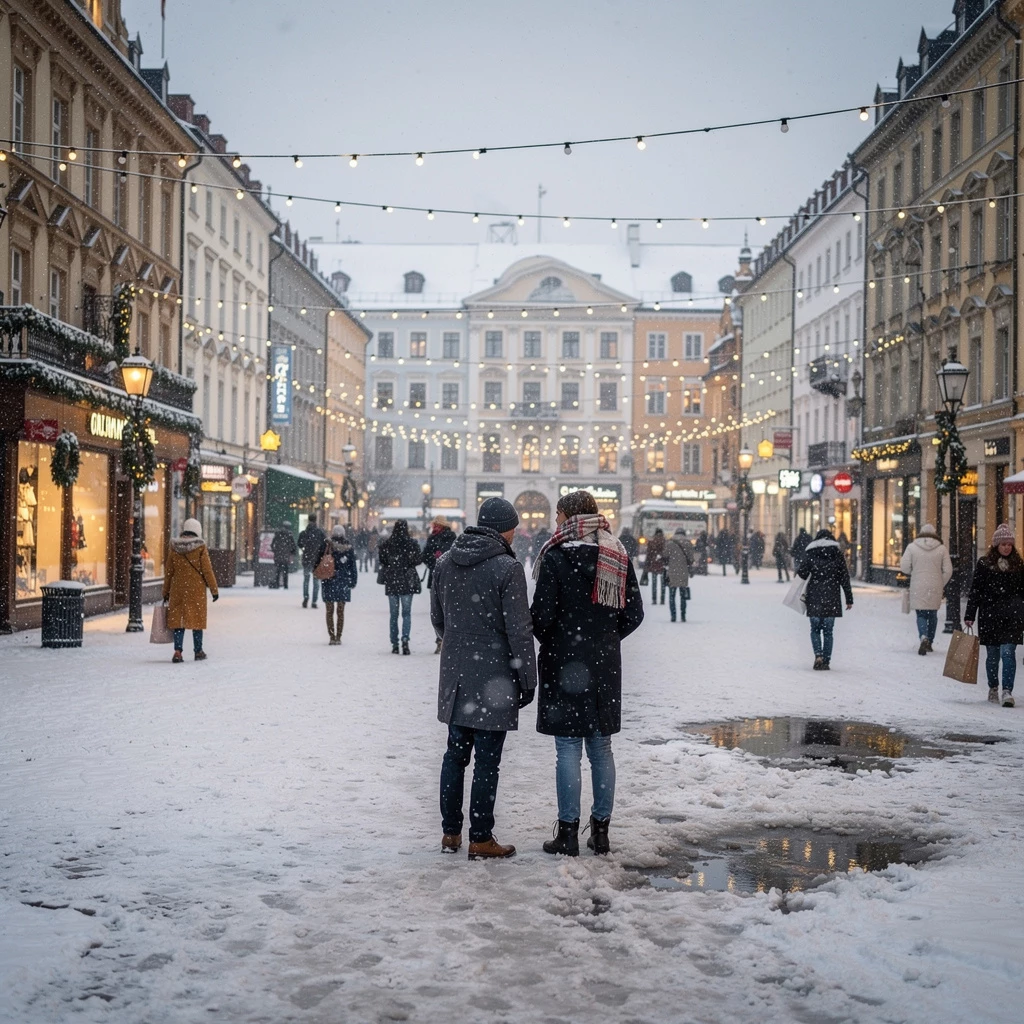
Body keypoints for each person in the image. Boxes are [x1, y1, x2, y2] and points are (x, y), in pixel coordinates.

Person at [531, 490, 644, 857]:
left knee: (567, 748)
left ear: (569, 517)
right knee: (601, 747)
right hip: (603, 665)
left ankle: (567, 834)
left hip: (564, 665)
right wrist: (605, 638)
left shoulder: (555, 556)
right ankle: (601, 831)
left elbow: (542, 617)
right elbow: (634, 612)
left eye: (558, 515)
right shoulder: (616, 553)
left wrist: (562, 638)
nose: (555, 522)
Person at [431, 497, 537, 860]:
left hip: (457, 674)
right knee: (487, 760)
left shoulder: (445, 562)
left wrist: (459, 642)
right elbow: (519, 629)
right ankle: (480, 836)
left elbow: (438, 619)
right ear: (507, 528)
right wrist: (527, 678)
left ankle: (450, 833)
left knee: (454, 755)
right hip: (494, 679)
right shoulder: (507, 568)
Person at [964, 523, 1024, 707]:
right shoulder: (984, 564)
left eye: (1009, 544)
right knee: (992, 656)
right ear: (996, 545)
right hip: (990, 616)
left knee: (1008, 653)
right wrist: (970, 614)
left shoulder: (1018, 565)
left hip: (1012, 617)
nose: (1007, 547)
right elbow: (976, 590)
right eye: (1003, 544)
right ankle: (993, 687)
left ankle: (1007, 690)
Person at [162, 517, 219, 663]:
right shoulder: (200, 547)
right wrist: (214, 590)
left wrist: (166, 592)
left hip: (178, 590)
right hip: (196, 591)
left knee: (179, 622)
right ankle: (198, 651)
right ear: (197, 531)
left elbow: (169, 571)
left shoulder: (174, 547)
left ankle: (177, 651)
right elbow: (207, 570)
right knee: (197, 621)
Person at [797, 528, 853, 671]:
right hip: (832, 598)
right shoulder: (837, 554)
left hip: (814, 596)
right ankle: (826, 661)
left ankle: (818, 655)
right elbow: (844, 578)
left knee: (815, 629)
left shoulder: (811, 553)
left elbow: (802, 572)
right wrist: (849, 598)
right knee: (828, 631)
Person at [899, 523, 952, 655]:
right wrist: (940, 581)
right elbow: (948, 570)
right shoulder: (941, 549)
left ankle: (923, 637)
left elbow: (904, 567)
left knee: (921, 614)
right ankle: (930, 641)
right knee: (932, 614)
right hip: (935, 585)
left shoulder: (912, 547)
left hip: (918, 584)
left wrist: (914, 571)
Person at [378, 519, 423, 654]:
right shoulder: (412, 544)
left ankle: (394, 643)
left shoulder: (388, 544)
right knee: (406, 614)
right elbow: (418, 560)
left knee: (394, 615)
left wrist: (393, 563)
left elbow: (383, 560)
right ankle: (405, 639)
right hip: (407, 580)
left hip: (392, 580)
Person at [320, 524, 358, 645]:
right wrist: (353, 580)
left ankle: (332, 636)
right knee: (340, 611)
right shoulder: (348, 547)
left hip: (328, 580)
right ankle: (339, 636)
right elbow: (353, 566)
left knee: (329, 610)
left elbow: (319, 562)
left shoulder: (327, 545)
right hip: (343, 581)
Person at [663, 527, 694, 622]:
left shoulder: (670, 543)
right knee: (683, 595)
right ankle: (683, 615)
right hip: (683, 572)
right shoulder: (688, 543)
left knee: (672, 595)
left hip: (672, 572)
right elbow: (691, 559)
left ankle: (673, 615)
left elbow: (665, 555)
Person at [298, 514, 327, 609]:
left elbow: (299, 543)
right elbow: (325, 544)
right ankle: (314, 601)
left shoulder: (304, 532)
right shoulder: (320, 532)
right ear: (316, 520)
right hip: (317, 560)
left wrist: (305, 548)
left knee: (306, 580)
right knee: (316, 582)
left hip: (307, 558)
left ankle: (306, 597)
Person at [423, 516, 456, 590]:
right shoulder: (432, 537)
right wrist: (432, 559)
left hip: (446, 572)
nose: (435, 527)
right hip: (437, 572)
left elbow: (454, 553)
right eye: (435, 524)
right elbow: (425, 555)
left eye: (438, 525)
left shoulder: (450, 536)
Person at [271, 521, 296, 589]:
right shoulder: (289, 535)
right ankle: (285, 585)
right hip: (286, 555)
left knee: (278, 570)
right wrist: (292, 553)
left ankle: (277, 584)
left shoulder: (277, 534)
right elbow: (293, 545)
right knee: (285, 571)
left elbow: (272, 544)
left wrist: (275, 550)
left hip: (278, 555)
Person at [646, 528, 666, 603]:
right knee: (663, 583)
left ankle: (654, 599)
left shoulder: (652, 542)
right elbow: (667, 555)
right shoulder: (665, 542)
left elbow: (648, 555)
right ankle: (662, 599)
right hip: (662, 564)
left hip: (654, 564)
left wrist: (647, 565)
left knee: (654, 583)